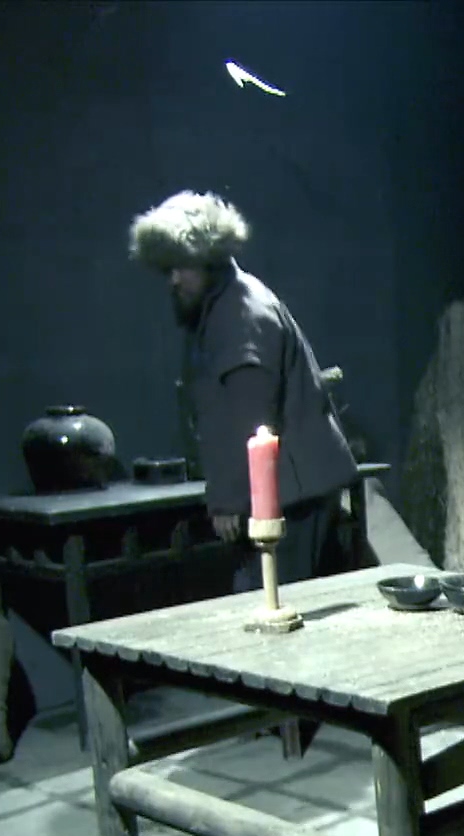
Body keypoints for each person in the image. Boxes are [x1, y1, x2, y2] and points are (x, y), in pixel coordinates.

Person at [128, 190, 360, 591]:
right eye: (169, 267)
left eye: (183, 266)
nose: (174, 279)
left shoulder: (239, 314)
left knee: (274, 607)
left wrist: (228, 500)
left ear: (210, 258)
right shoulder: (222, 308)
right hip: (287, 494)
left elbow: (251, 418)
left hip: (291, 499)